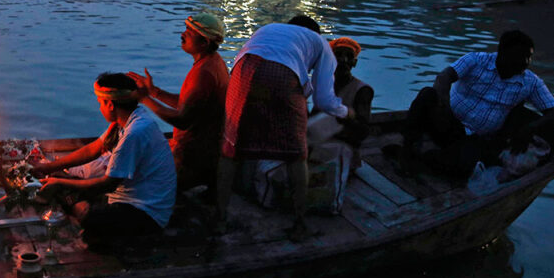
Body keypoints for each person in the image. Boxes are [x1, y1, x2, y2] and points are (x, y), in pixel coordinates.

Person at [217, 15, 353, 241]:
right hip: (281, 76)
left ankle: (219, 221)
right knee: (296, 155)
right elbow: (324, 101)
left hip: (242, 70)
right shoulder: (320, 43)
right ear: (315, 34)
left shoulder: (269, 29)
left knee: (229, 149)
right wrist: (347, 112)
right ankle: (300, 224)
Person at [33, 73, 176, 253]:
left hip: (147, 213)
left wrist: (61, 183)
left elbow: (107, 184)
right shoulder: (129, 118)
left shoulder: (134, 133)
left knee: (88, 216)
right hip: (121, 197)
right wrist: (47, 167)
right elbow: (93, 149)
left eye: (100, 102)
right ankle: (71, 198)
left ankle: (73, 202)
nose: (100, 107)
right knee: (57, 178)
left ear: (110, 104)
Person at [398, 29, 554, 178]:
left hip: (474, 138)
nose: (526, 62)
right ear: (503, 53)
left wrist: (529, 128)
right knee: (427, 94)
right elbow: (444, 78)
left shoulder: (530, 82)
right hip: (447, 121)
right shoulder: (476, 60)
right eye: (520, 56)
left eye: (529, 57)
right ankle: (408, 150)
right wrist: (443, 107)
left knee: (464, 168)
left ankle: (425, 157)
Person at [127, 13, 229, 193]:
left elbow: (183, 119)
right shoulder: (213, 62)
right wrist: (154, 92)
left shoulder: (204, 72)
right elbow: (189, 105)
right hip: (203, 152)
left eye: (190, 32)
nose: (183, 34)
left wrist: (143, 98)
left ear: (204, 43)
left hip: (191, 158)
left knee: (134, 185)